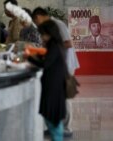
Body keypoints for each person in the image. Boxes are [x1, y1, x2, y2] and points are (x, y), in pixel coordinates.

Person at [32, 7, 80, 138]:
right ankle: (55, 125)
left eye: (36, 22)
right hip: (58, 63)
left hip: (65, 64)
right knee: (59, 98)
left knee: (63, 97)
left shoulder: (57, 24)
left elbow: (69, 43)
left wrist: (52, 51)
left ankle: (67, 127)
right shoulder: (51, 32)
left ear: (39, 17)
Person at [27, 20, 67, 141]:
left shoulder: (54, 45)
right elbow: (46, 57)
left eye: (43, 34)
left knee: (53, 120)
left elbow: (45, 63)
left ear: (49, 33)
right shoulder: (53, 45)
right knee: (52, 119)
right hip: (53, 86)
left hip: (54, 88)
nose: (42, 37)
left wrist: (29, 58)